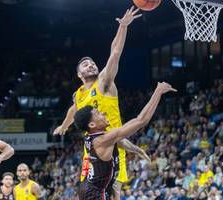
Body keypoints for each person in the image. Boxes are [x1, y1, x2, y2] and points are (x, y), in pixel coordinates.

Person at [53, 6, 147, 200]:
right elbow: (74, 110)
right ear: (79, 74)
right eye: (85, 64)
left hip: (113, 144)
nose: (91, 65)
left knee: (114, 192)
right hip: (91, 150)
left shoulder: (103, 82)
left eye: (93, 63)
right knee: (87, 194)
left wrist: (123, 27)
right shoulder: (77, 95)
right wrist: (63, 126)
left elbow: (115, 53)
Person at [75, 82, 176, 200]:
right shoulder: (102, 140)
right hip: (94, 194)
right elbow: (141, 120)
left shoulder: (96, 137)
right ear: (92, 124)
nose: (103, 113)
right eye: (98, 113)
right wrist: (158, 92)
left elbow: (121, 141)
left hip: (91, 188)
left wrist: (138, 150)